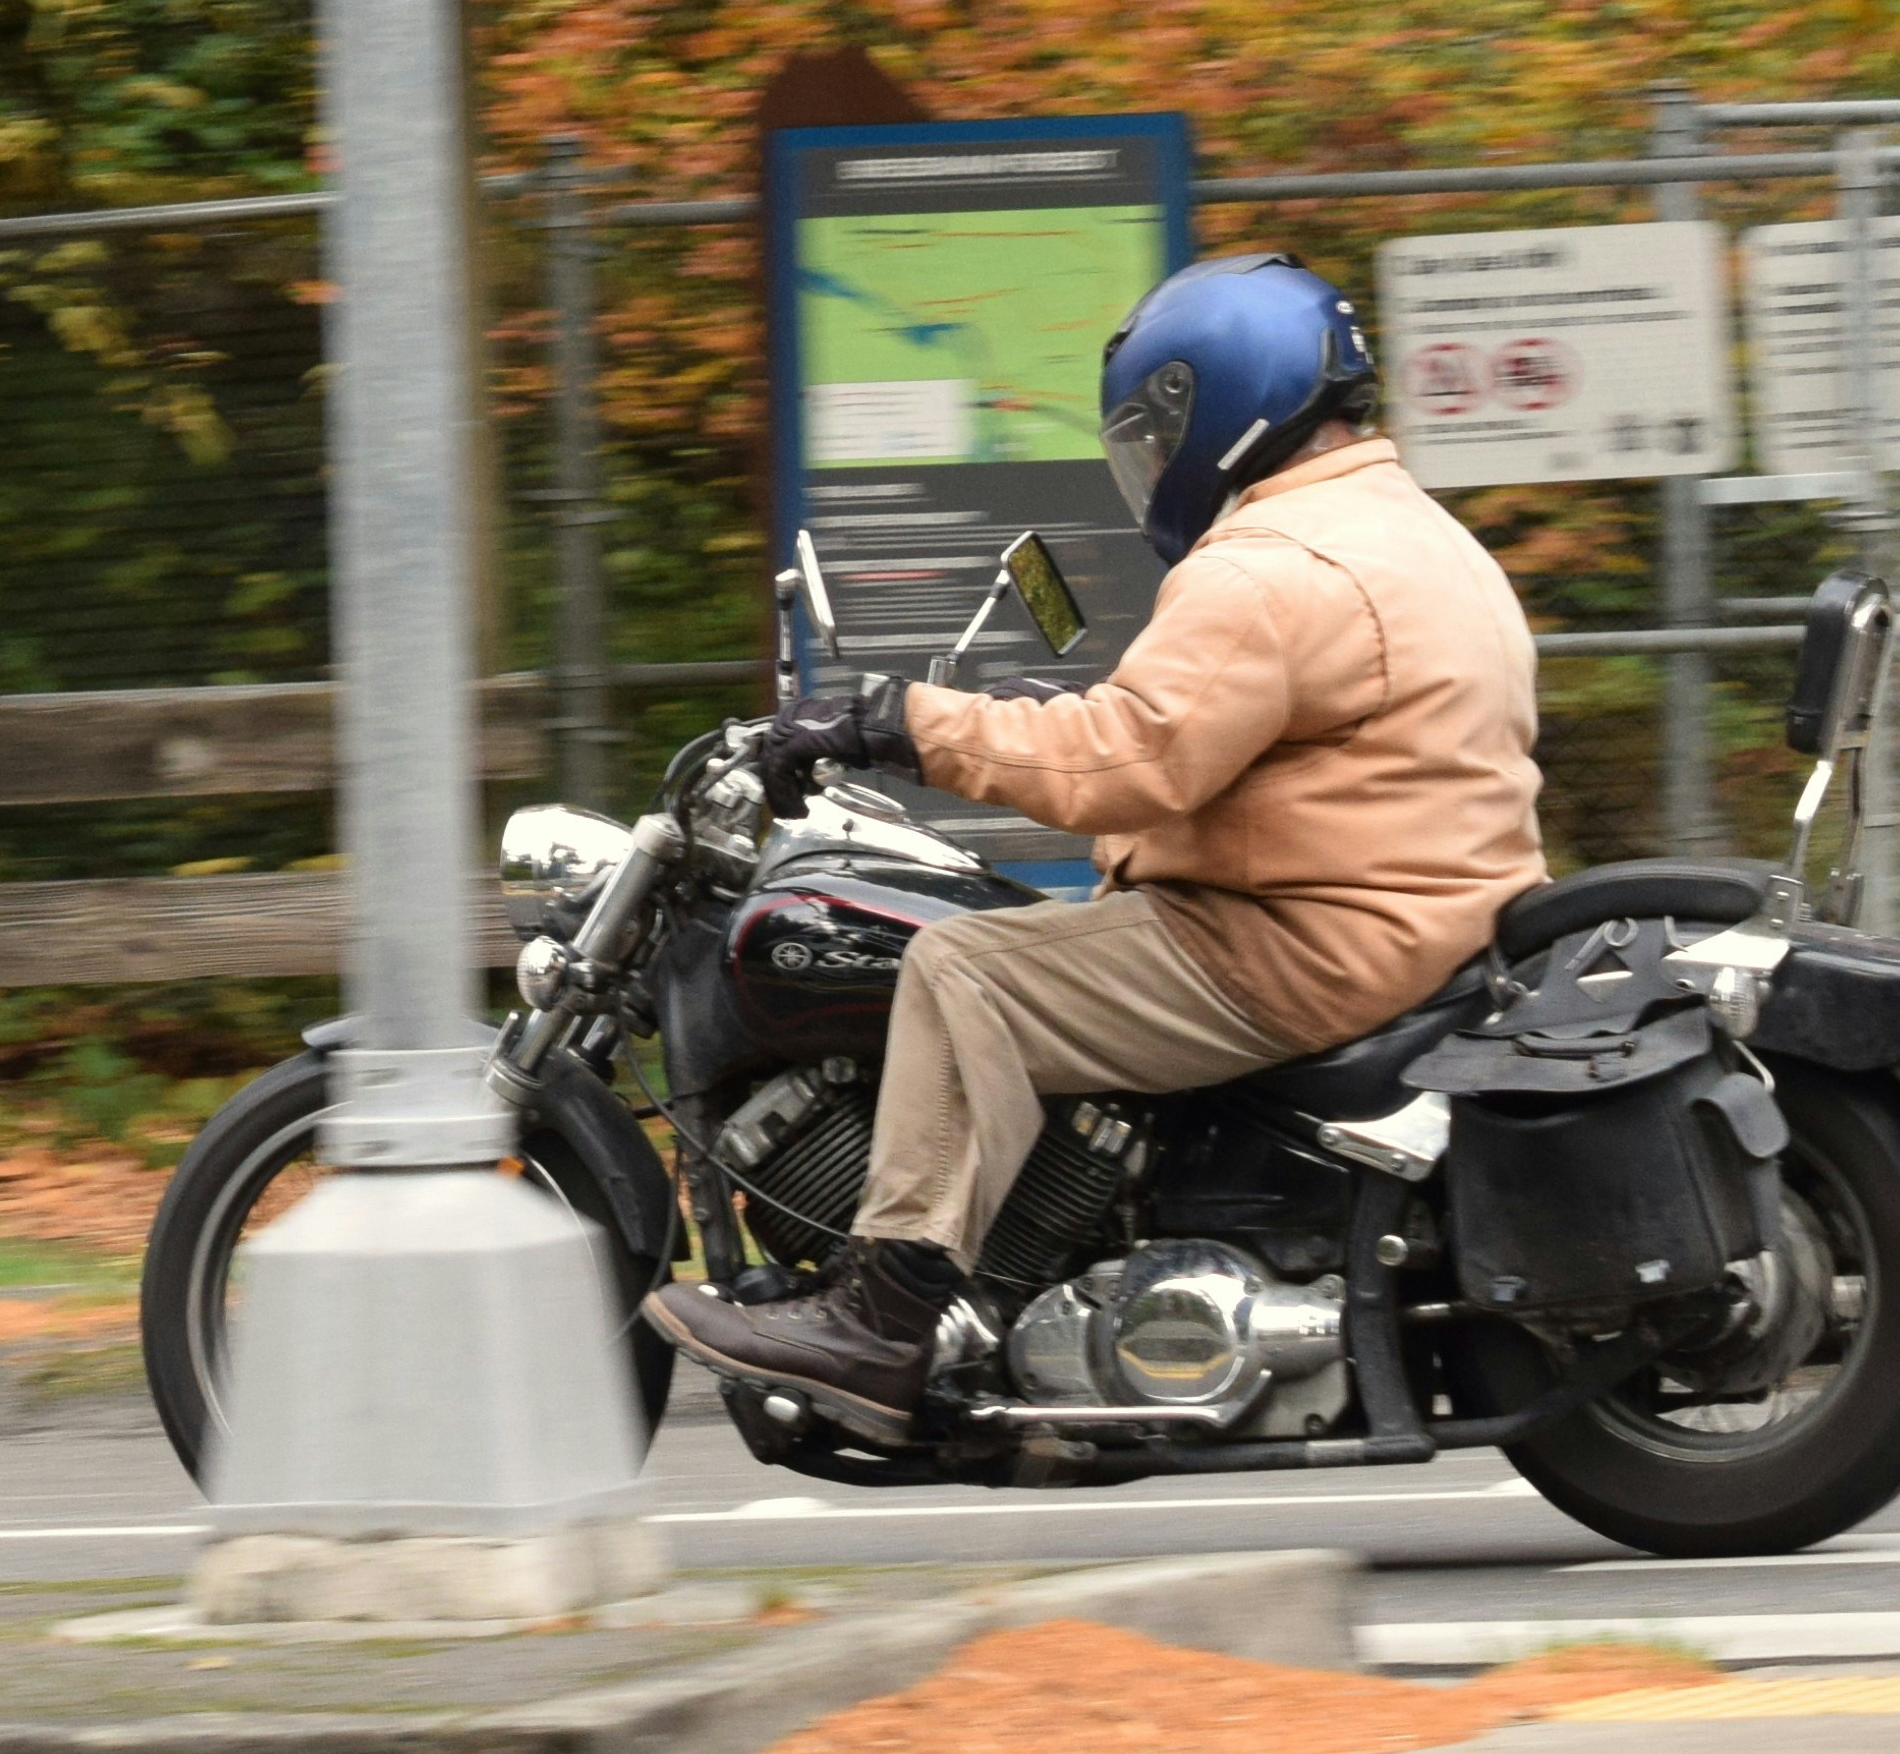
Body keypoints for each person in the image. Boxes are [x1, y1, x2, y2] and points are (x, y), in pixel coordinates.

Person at [651, 253, 1548, 1430]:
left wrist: (895, 720)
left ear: (1217, 397)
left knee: (966, 967)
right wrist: (1033, 716)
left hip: (1305, 942)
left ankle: (877, 1323)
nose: (1154, 463)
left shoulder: (1273, 565)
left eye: (1152, 431)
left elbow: (1127, 765)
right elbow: (1258, 748)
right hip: (1413, 921)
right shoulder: (1409, 529)